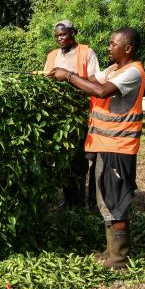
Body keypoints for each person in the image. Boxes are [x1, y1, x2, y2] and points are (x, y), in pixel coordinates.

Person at [48, 27, 145, 270]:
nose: (109, 47)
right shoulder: (113, 69)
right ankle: (110, 250)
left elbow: (101, 91)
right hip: (105, 145)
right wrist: (63, 76)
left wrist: (69, 76)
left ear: (128, 48)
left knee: (116, 201)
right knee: (105, 200)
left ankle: (119, 258)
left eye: (113, 44)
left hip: (119, 147)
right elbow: (92, 81)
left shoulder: (133, 72)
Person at [43, 20, 100, 209]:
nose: (59, 38)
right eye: (57, 36)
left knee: (79, 161)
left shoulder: (86, 52)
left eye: (63, 34)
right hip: (58, 115)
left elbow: (95, 81)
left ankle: (83, 202)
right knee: (64, 159)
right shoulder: (52, 56)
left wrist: (69, 77)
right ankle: (69, 201)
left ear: (73, 33)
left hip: (80, 113)